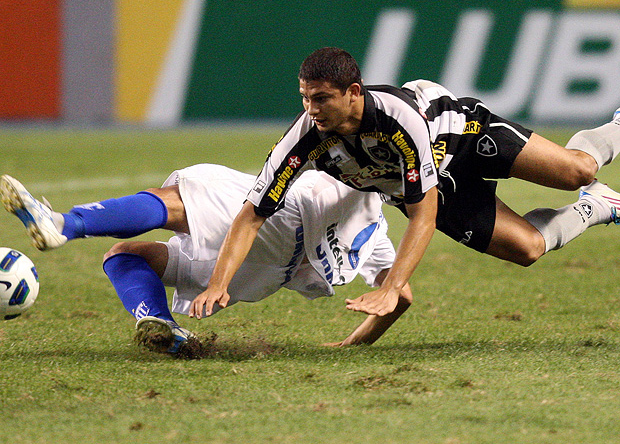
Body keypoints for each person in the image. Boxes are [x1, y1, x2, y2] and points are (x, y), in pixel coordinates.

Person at [189, 46, 620, 320]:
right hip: (428, 186)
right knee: (527, 249)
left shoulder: (397, 119)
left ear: (353, 92)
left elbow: (424, 215)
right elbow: (252, 215)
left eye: (321, 98)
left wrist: (392, 287)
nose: (311, 108)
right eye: (305, 97)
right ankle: (600, 206)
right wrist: (218, 284)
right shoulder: (302, 140)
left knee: (576, 171)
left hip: (462, 135)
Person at [0, 164, 411, 356]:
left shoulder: (354, 167)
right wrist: (351, 344)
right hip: (262, 277)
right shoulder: (380, 241)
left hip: (280, 220)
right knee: (125, 256)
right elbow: (401, 296)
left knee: (181, 197)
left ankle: (64, 223)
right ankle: (160, 323)